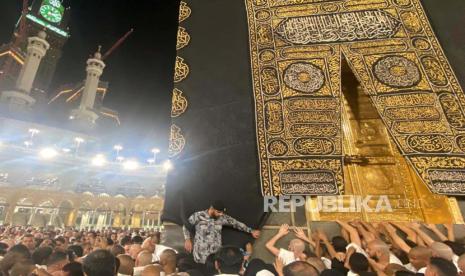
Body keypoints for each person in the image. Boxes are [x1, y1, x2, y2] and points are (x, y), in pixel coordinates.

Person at [183, 200, 260, 263]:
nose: (221, 214)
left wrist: (251, 231)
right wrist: (187, 239)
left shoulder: (222, 218)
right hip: (199, 257)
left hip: (215, 259)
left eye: (222, 212)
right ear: (212, 208)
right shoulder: (198, 216)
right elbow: (186, 225)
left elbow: (236, 223)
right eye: (219, 212)